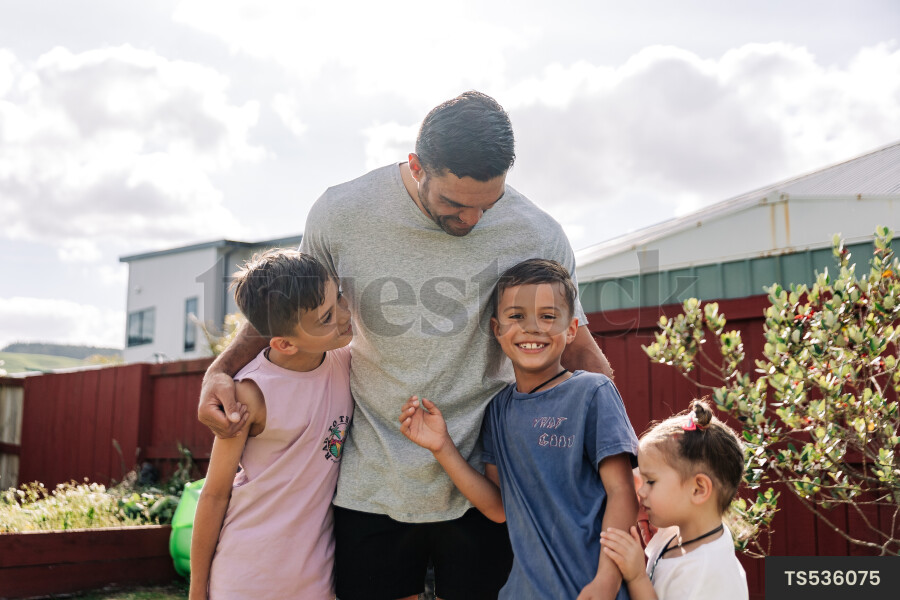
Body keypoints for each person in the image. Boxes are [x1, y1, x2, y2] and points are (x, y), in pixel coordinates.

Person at [198, 90, 614, 600]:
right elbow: (290, 309)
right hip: (370, 480)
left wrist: (619, 464)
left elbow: (581, 355)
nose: (471, 221)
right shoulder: (341, 212)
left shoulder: (539, 233)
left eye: (488, 204)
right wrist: (221, 369)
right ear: (417, 166)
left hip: (483, 486)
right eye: (454, 205)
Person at [400, 258, 638, 599]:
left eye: (548, 316)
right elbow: (499, 508)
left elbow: (622, 492)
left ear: (571, 329)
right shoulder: (498, 410)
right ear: (497, 330)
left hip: (593, 588)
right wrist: (442, 447)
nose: (532, 328)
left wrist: (607, 580)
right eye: (516, 316)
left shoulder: (592, 393)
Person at [190, 249, 353, 599]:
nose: (344, 314)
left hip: (316, 581)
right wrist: (196, 589)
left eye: (338, 297)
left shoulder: (344, 361)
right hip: (246, 578)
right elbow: (215, 493)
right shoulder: (249, 394)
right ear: (283, 343)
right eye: (326, 317)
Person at [599, 400, 749, 600]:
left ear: (698, 489)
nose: (641, 491)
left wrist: (637, 577)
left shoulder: (705, 572)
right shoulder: (680, 533)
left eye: (650, 481)